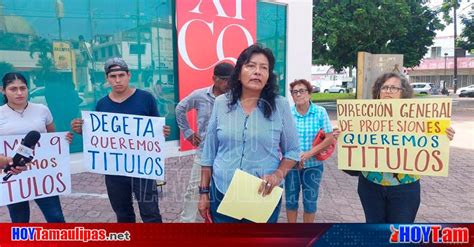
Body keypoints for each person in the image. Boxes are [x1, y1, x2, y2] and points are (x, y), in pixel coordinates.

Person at [197, 44, 300, 223]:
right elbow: (209, 153)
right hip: (223, 192)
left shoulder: (280, 105)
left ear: (268, 77)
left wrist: (277, 175)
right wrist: (204, 193)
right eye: (251, 66)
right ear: (239, 72)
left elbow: (292, 151)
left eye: (264, 68)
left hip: (262, 196)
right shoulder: (221, 103)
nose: (257, 71)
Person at [70, 57, 170, 223]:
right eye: (113, 76)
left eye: (121, 75)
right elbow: (98, 136)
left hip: (143, 168)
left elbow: (156, 129)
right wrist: (81, 130)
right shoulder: (102, 104)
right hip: (114, 170)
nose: (117, 80)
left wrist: (162, 132)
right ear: (107, 79)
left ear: (128, 75)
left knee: (151, 213)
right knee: (123, 214)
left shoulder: (146, 98)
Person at [356, 72, 455, 223]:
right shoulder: (363, 115)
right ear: (378, 91)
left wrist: (445, 134)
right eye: (384, 87)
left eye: (394, 88)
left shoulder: (418, 116)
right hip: (371, 185)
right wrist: (343, 135)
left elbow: (433, 138)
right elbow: (355, 143)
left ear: (403, 93)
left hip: (405, 187)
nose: (388, 91)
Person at [0, 72, 67, 223]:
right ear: (3, 90)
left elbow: (52, 137)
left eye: (23, 88)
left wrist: (63, 141)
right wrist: (5, 161)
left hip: (42, 174)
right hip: (13, 176)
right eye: (13, 89)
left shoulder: (42, 109)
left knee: (55, 217)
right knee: (19, 220)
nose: (19, 93)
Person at [176, 62, 234, 222]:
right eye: (225, 80)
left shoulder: (235, 98)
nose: (229, 83)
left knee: (226, 193)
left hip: (228, 155)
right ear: (214, 79)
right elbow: (180, 108)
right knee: (194, 192)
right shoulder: (199, 95)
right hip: (204, 154)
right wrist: (187, 132)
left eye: (232, 79)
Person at [285, 79, 334, 223]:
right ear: (292, 96)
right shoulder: (288, 113)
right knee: (291, 200)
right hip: (291, 165)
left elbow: (329, 139)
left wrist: (308, 154)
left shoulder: (320, 112)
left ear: (309, 94)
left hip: (313, 166)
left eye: (302, 91)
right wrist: (294, 157)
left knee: (310, 202)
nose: (298, 94)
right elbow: (283, 139)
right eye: (295, 92)